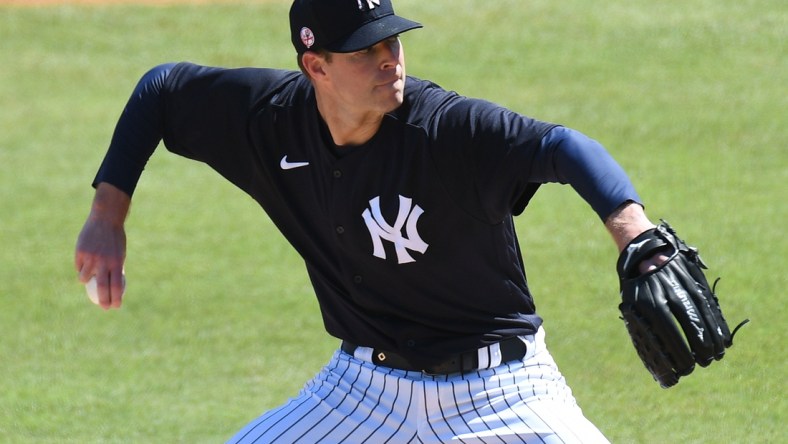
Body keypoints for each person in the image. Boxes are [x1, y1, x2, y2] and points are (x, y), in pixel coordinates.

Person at [75, 0, 667, 442]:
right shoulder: (269, 122)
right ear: (317, 66)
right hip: (362, 390)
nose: (389, 61)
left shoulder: (446, 129)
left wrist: (634, 234)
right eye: (365, 52)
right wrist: (108, 212)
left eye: (393, 43)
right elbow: (162, 88)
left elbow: (565, 148)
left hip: (504, 390)